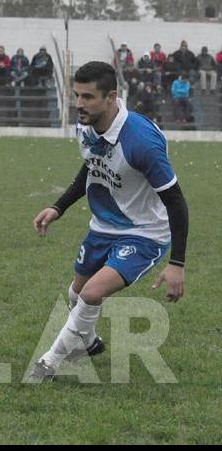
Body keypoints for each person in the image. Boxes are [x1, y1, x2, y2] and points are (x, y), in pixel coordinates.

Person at [28, 61, 189, 382]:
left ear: (111, 97)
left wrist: (177, 263)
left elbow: (176, 202)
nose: (79, 104)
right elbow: (91, 168)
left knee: (91, 294)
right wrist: (58, 207)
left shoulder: (141, 142)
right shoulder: (86, 127)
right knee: (76, 292)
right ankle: (88, 341)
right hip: (103, 226)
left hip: (144, 234)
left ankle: (49, 361)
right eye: (76, 96)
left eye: (88, 97)